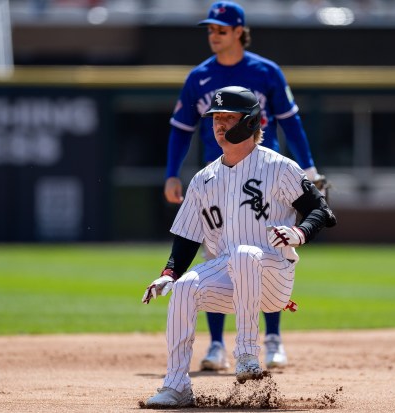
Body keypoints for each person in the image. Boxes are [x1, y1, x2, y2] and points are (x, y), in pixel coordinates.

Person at [142, 86, 336, 408]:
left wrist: (300, 233)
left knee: (246, 253)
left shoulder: (278, 166)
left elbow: (322, 211)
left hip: (274, 274)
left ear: (250, 123)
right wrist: (169, 273)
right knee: (186, 287)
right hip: (231, 276)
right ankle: (176, 386)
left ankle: (247, 353)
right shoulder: (205, 179)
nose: (218, 125)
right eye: (216, 118)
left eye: (227, 118)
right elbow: (188, 237)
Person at [163, 0, 325, 371]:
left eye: (220, 29)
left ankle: (271, 338)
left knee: (263, 248)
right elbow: (181, 129)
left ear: (239, 31)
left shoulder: (266, 71)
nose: (214, 36)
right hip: (217, 177)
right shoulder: (198, 77)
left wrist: (309, 167)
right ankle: (218, 345)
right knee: (216, 254)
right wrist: (173, 172)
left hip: (263, 175)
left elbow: (290, 123)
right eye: (210, 30)